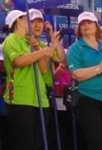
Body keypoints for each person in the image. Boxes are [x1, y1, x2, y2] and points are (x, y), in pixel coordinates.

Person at [2, 10, 60, 150]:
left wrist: (39, 48)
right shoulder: (11, 39)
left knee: (39, 143)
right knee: (24, 143)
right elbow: (19, 61)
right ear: (19, 21)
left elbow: (44, 69)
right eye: (27, 19)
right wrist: (42, 51)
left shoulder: (32, 41)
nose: (32, 23)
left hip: (40, 98)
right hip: (21, 98)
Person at [67, 11, 102, 150]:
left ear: (96, 26)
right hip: (87, 98)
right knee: (96, 141)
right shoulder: (75, 48)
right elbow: (76, 74)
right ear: (79, 29)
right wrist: (101, 67)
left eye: (89, 22)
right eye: (82, 24)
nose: (86, 26)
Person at [28, 9, 66, 150]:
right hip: (32, 95)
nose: (37, 26)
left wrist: (52, 37)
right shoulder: (25, 44)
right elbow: (44, 68)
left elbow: (61, 58)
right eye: (33, 22)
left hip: (47, 95)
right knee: (34, 138)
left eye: (40, 22)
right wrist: (50, 44)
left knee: (47, 138)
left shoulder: (44, 45)